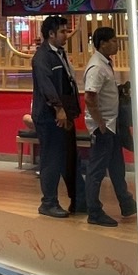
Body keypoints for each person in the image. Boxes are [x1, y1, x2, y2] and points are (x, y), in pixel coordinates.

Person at [82, 27, 136, 226]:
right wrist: (100, 124)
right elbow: (90, 98)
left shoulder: (105, 64)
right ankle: (94, 212)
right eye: (113, 41)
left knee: (117, 167)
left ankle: (127, 203)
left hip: (111, 126)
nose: (116, 44)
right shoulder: (97, 67)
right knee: (96, 171)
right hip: (103, 127)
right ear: (102, 43)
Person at [32, 15, 84, 217]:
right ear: (51, 34)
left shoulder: (60, 53)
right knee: (52, 159)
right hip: (49, 117)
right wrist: (59, 109)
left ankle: (79, 201)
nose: (66, 35)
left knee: (70, 158)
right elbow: (46, 86)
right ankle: (48, 203)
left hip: (65, 114)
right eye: (62, 31)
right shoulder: (42, 57)